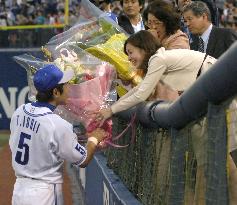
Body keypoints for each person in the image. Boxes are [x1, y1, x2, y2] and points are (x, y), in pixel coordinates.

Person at [9, 64, 106, 205]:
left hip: (19, 191)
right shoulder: (58, 125)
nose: (69, 88)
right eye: (65, 84)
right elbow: (83, 160)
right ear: (55, 92)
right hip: (44, 194)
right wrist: (94, 138)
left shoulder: (20, 111)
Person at [96, 30, 216, 121]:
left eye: (130, 52)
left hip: (212, 77)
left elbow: (141, 95)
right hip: (207, 81)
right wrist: (113, 107)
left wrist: (112, 110)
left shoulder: (158, 59)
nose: (128, 58)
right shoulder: (158, 59)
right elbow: (139, 89)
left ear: (143, 48)